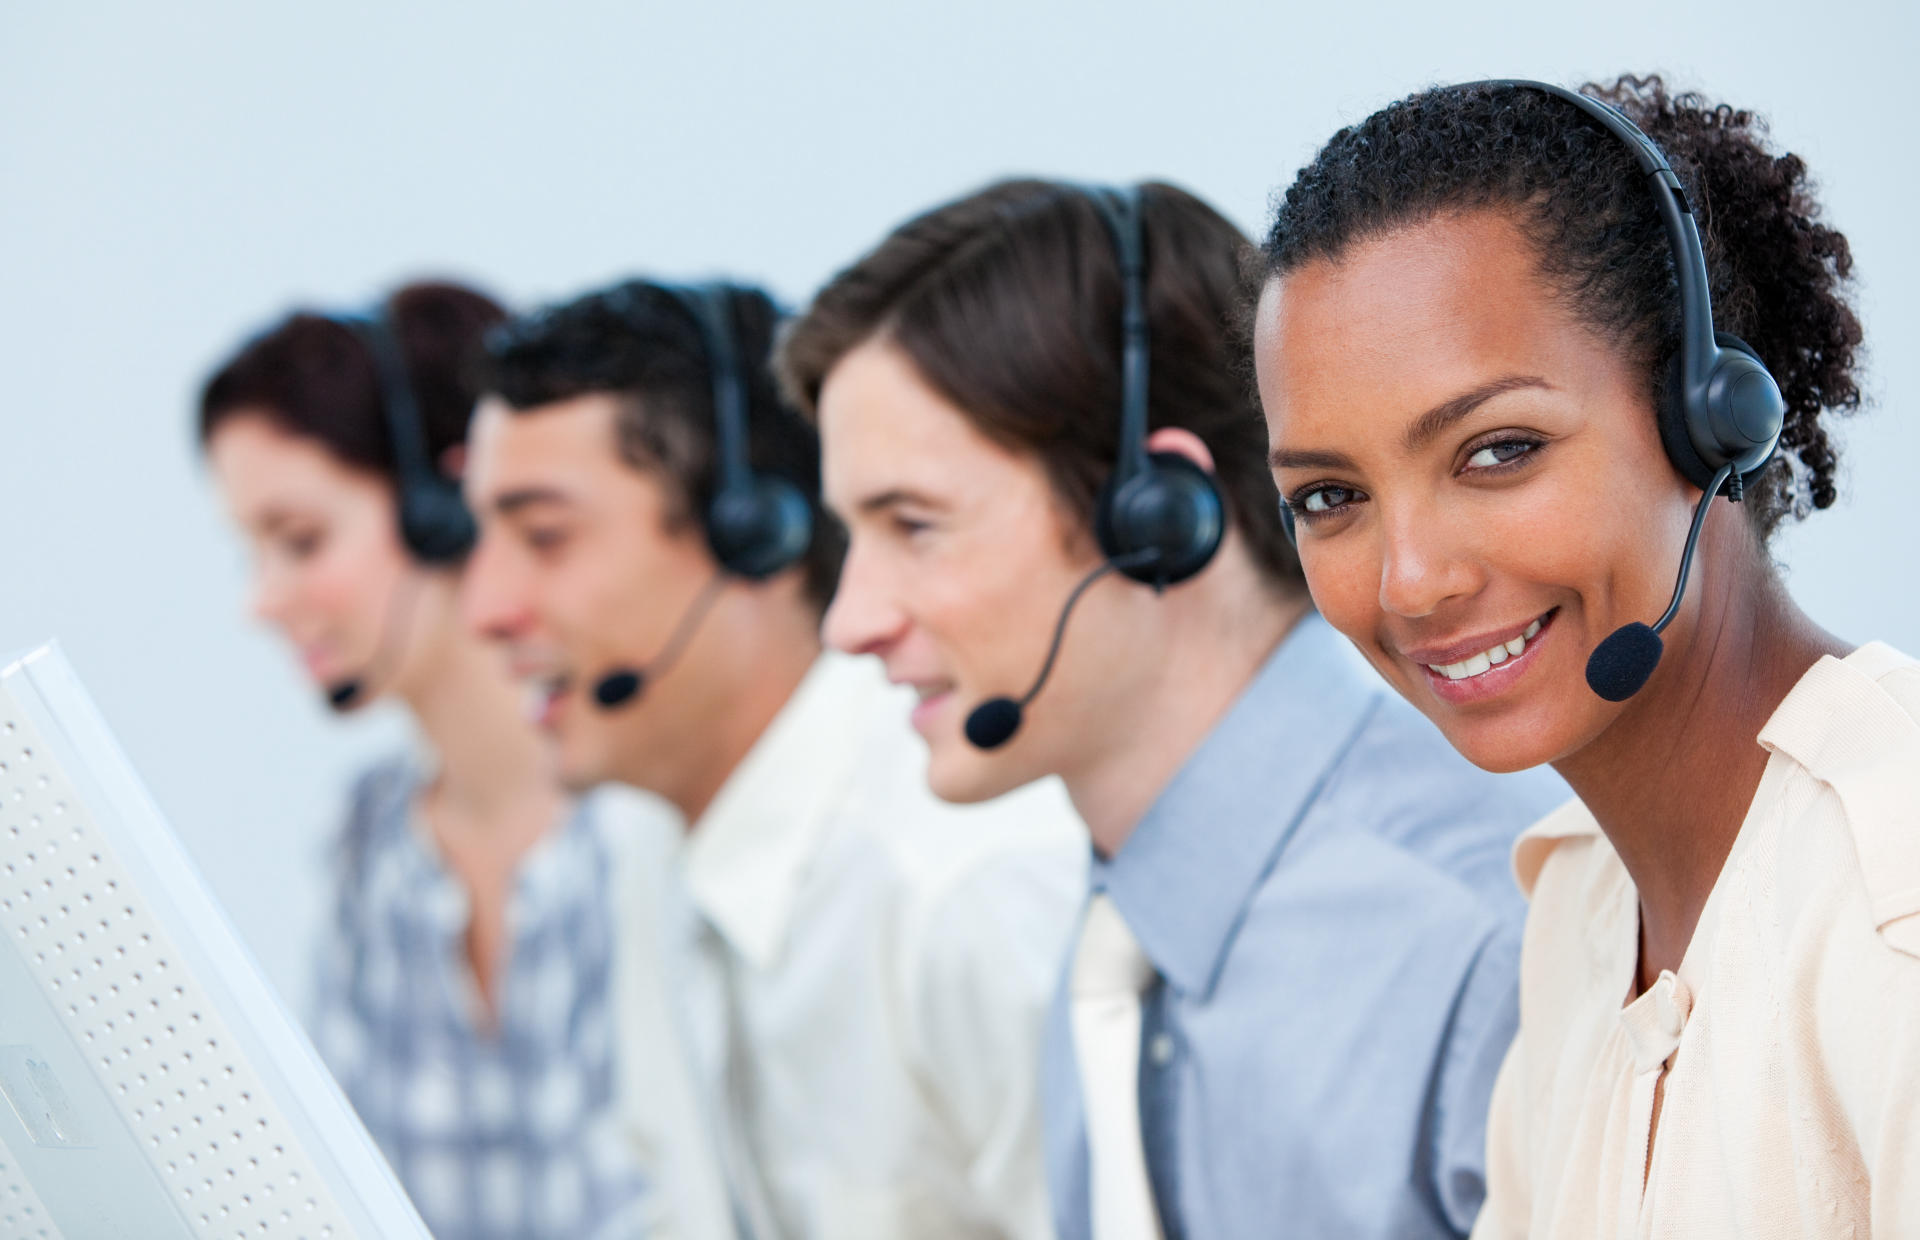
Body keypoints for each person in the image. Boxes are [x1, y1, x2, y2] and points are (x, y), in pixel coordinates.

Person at [777, 179, 1567, 1240]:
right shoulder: (1113, 949)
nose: (849, 621)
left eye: (912, 525)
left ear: (1158, 515)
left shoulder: (1476, 945)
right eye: (851, 537)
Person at [1252, 75, 1917, 1237]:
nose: (1411, 579)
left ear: (1709, 422)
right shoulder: (1579, 903)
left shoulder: (1890, 907)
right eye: (1331, 496)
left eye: (1498, 450)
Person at [460, 277, 1086, 1240]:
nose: (485, 609)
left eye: (544, 536)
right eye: (478, 541)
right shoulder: (648, 850)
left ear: (755, 537)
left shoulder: (962, 889)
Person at [199, 281, 658, 1240]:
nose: (261, 601)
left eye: (300, 540)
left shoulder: (646, 822)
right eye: (251, 553)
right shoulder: (367, 844)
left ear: (440, 507)